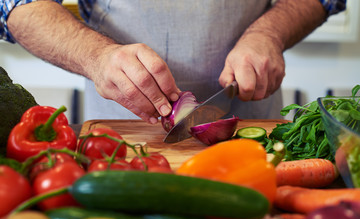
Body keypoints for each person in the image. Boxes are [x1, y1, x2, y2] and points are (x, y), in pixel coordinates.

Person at [0, 0, 346, 124]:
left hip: (250, 116)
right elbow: (15, 3)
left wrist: (270, 33)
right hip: (122, 123)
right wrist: (96, 56)